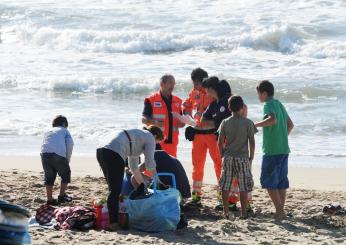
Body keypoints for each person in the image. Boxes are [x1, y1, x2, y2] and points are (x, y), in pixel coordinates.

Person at [96, 126, 164, 231]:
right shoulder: (150, 137)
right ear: (155, 136)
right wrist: (158, 180)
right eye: (157, 142)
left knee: (113, 189)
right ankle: (113, 223)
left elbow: (134, 168)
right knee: (115, 190)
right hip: (114, 151)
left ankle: (111, 219)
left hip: (101, 150)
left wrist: (143, 186)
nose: (156, 145)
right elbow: (150, 163)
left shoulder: (137, 137)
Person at [255, 80, 294, 221]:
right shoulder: (279, 104)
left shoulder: (268, 105)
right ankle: (280, 211)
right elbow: (290, 125)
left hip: (272, 150)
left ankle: (280, 211)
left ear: (264, 93)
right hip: (283, 148)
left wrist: (254, 125)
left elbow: (272, 120)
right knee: (280, 182)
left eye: (259, 94)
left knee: (268, 181)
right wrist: (281, 137)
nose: (258, 97)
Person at [182, 68, 221, 204]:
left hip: (212, 134)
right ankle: (196, 195)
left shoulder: (213, 93)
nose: (195, 87)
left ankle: (222, 195)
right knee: (197, 165)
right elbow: (186, 104)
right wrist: (186, 114)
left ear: (204, 82)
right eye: (194, 84)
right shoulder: (194, 93)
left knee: (219, 164)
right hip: (198, 134)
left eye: (197, 84)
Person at [218, 95, 257, 219]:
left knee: (225, 185)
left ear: (229, 108)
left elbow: (220, 141)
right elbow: (252, 141)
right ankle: (243, 213)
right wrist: (251, 156)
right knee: (243, 186)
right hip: (242, 157)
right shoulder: (248, 122)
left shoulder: (225, 122)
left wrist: (222, 154)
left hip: (228, 156)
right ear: (242, 107)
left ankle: (225, 211)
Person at [142, 74, 184, 157]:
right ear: (162, 84)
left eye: (174, 83)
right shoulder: (151, 100)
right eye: (170, 83)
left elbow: (181, 122)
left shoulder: (178, 101)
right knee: (152, 168)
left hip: (172, 143)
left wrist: (182, 123)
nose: (172, 86)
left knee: (171, 168)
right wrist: (154, 122)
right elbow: (143, 119)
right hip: (155, 141)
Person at [40, 115, 74, 205]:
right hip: (57, 154)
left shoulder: (48, 131)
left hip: (44, 154)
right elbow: (70, 144)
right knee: (66, 174)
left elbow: (45, 143)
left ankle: (50, 199)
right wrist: (67, 160)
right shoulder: (64, 130)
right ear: (64, 124)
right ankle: (61, 196)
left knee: (49, 177)